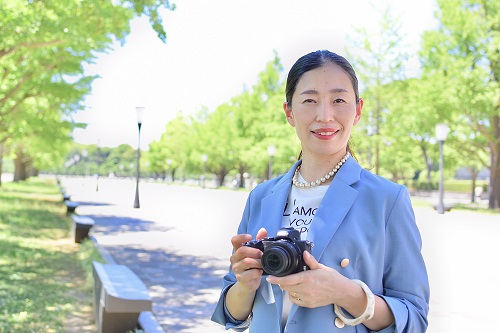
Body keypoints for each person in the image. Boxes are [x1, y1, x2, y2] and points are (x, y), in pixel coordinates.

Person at [211, 50, 430, 333]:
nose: (325, 116)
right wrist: (244, 284)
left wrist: (346, 293)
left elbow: (414, 317)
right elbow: (233, 315)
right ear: (289, 112)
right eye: (309, 101)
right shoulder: (261, 196)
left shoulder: (387, 200)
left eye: (339, 100)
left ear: (358, 110)